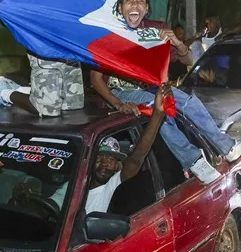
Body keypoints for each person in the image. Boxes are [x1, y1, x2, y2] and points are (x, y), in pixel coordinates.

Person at [89, 0, 241, 184]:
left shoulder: (155, 30)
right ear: (119, 8)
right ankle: (193, 161)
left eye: (140, 1)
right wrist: (117, 103)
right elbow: (95, 80)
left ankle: (228, 148)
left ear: (147, 8)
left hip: (149, 87)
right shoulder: (109, 35)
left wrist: (177, 43)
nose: (134, 5)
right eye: (128, 1)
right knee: (156, 107)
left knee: (188, 102)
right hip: (120, 93)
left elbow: (188, 62)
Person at [13, 84, 169, 215]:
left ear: (117, 166)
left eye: (111, 159)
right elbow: (51, 207)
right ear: (88, 162)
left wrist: (157, 115)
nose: (104, 163)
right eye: (99, 157)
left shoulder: (113, 186)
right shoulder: (74, 186)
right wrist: (29, 204)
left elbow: (136, 157)